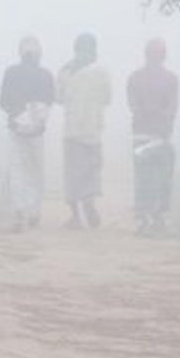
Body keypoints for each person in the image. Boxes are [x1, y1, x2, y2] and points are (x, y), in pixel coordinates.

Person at [0, 36, 54, 233]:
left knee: (17, 170)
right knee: (35, 169)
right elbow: (49, 100)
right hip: (37, 131)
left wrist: (17, 114)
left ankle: (19, 211)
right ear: (39, 54)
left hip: (16, 129)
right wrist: (36, 118)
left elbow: (3, 101)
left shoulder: (11, 73)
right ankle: (34, 211)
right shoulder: (46, 75)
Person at [58, 32, 112, 229]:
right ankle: (89, 201)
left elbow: (59, 98)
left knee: (73, 174)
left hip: (72, 130)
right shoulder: (101, 72)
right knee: (91, 170)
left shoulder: (66, 71)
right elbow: (108, 99)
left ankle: (75, 216)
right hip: (93, 130)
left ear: (75, 49)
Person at [127, 38, 179, 235]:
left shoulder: (135, 78)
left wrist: (150, 112)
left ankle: (148, 218)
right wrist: (159, 114)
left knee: (149, 178)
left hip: (147, 134)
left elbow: (134, 106)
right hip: (155, 134)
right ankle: (153, 217)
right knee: (156, 178)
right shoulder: (170, 79)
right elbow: (171, 109)